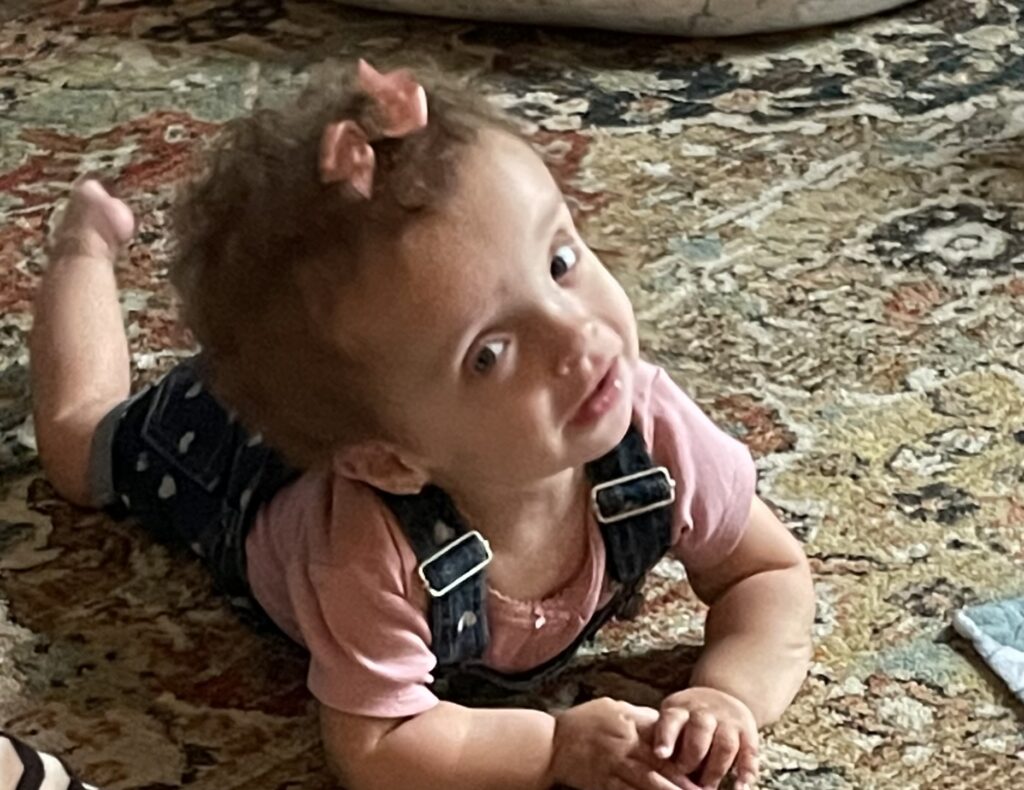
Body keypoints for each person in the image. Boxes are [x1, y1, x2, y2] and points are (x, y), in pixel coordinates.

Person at [29, 60, 815, 790]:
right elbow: (376, 741)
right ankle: (83, 248)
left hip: (368, 414)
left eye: (559, 263)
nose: (578, 338)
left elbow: (767, 575)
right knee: (77, 448)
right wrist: (553, 747)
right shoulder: (370, 552)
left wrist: (729, 696)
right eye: (490, 353)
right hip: (232, 462)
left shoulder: (653, 428)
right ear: (390, 461)